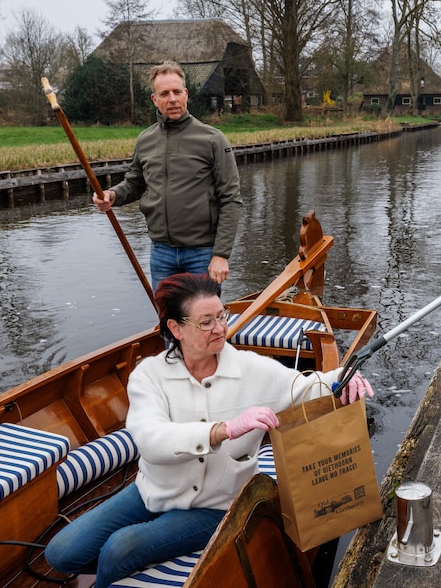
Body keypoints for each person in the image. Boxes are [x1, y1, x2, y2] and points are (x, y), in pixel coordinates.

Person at [43, 273, 373, 586]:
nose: (220, 328)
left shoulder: (252, 368)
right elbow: (150, 440)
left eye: (222, 315)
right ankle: (125, 563)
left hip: (218, 505)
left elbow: (305, 388)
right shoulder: (149, 374)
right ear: (176, 329)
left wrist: (344, 379)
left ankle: (116, 570)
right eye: (206, 322)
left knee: (120, 548)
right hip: (155, 492)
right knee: (61, 552)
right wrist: (223, 430)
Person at [93, 61, 243, 289]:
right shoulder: (145, 140)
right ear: (155, 99)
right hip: (161, 252)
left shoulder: (213, 139)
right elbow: (134, 184)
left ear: (186, 94)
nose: (172, 98)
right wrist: (112, 195)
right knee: (168, 321)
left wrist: (221, 254)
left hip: (202, 253)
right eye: (164, 93)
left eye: (177, 91)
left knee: (203, 322)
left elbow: (231, 199)